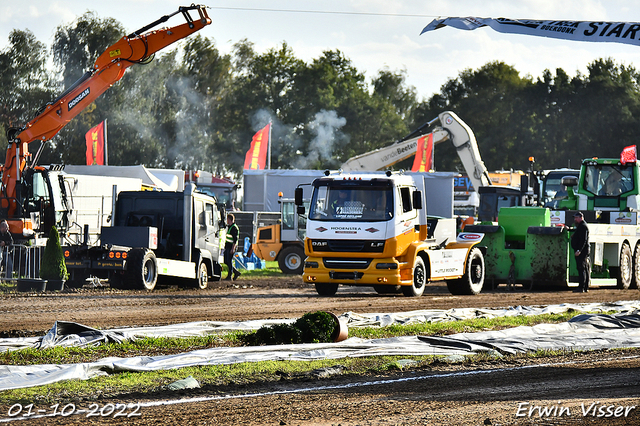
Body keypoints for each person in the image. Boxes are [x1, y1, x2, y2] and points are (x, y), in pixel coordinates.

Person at [570, 211, 590, 292]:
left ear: (581, 218)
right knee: (582, 268)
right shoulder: (580, 226)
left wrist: (579, 250)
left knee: (582, 268)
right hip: (581, 251)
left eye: (576, 218)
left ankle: (582, 287)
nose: (575, 219)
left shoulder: (583, 226)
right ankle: (584, 287)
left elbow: (583, 240)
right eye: (574, 218)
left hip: (582, 251)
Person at [224, 214, 241, 281]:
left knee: (229, 261)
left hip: (231, 247)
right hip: (228, 246)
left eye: (227, 219)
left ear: (229, 219)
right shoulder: (230, 226)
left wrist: (233, 248)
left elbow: (235, 240)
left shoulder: (234, 228)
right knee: (226, 260)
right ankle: (236, 272)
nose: (226, 221)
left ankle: (229, 276)